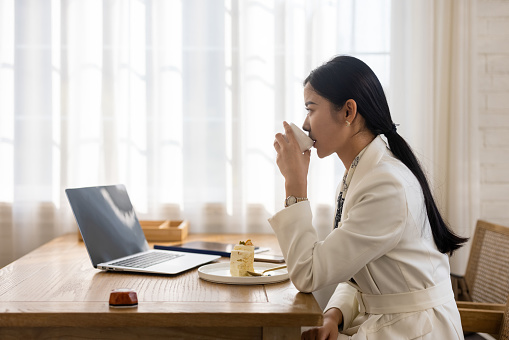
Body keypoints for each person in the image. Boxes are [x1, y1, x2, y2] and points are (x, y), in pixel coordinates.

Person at [270, 55, 468, 340]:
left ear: (348, 111)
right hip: (391, 322)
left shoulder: (384, 185)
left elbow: (308, 274)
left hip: (417, 330)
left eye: (311, 109)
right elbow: (359, 269)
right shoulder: (362, 173)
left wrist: (295, 187)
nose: (305, 123)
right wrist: (333, 315)